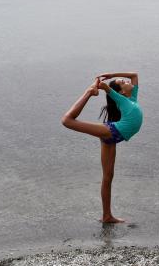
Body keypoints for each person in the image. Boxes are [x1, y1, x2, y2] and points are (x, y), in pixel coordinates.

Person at [61, 72, 143, 223]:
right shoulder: (123, 101)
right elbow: (110, 91)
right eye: (123, 82)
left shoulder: (131, 99)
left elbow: (134, 75)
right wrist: (101, 87)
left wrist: (113, 75)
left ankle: (107, 216)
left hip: (113, 137)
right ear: (121, 92)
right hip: (111, 132)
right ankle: (88, 93)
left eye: (124, 81)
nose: (127, 81)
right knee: (67, 121)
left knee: (108, 176)